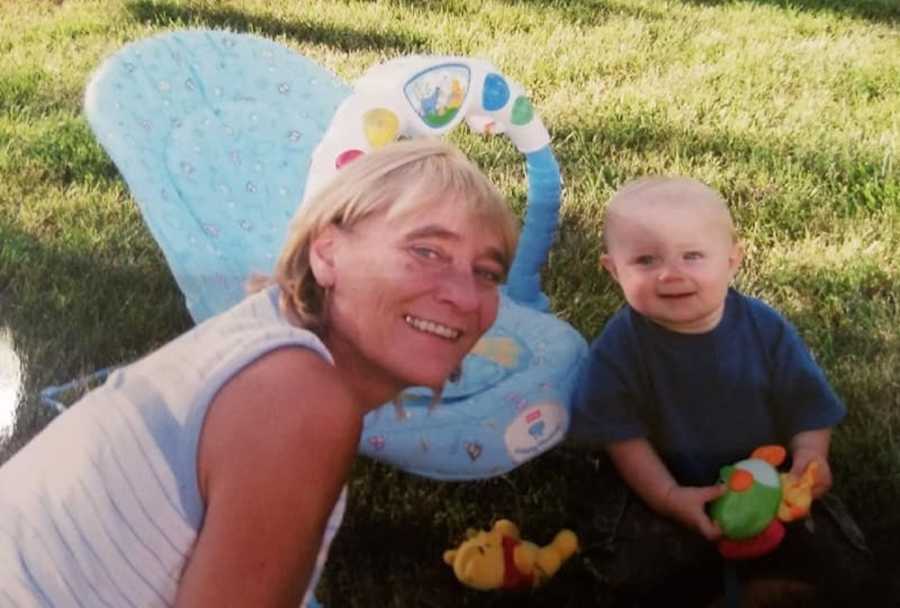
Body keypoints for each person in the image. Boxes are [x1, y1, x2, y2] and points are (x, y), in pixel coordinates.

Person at [0, 138, 520, 607]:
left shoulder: (265, 334)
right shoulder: (299, 400)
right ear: (327, 252)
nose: (464, 294)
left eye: (487, 272)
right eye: (426, 251)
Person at [569, 176, 872, 606]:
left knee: (845, 561)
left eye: (692, 256)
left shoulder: (766, 330)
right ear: (613, 269)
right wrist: (670, 498)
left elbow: (808, 408)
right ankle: (713, 587)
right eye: (645, 260)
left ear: (732, 261)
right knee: (627, 563)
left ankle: (762, 586)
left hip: (770, 482)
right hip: (663, 483)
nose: (671, 274)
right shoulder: (620, 347)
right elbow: (623, 437)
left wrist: (810, 457)